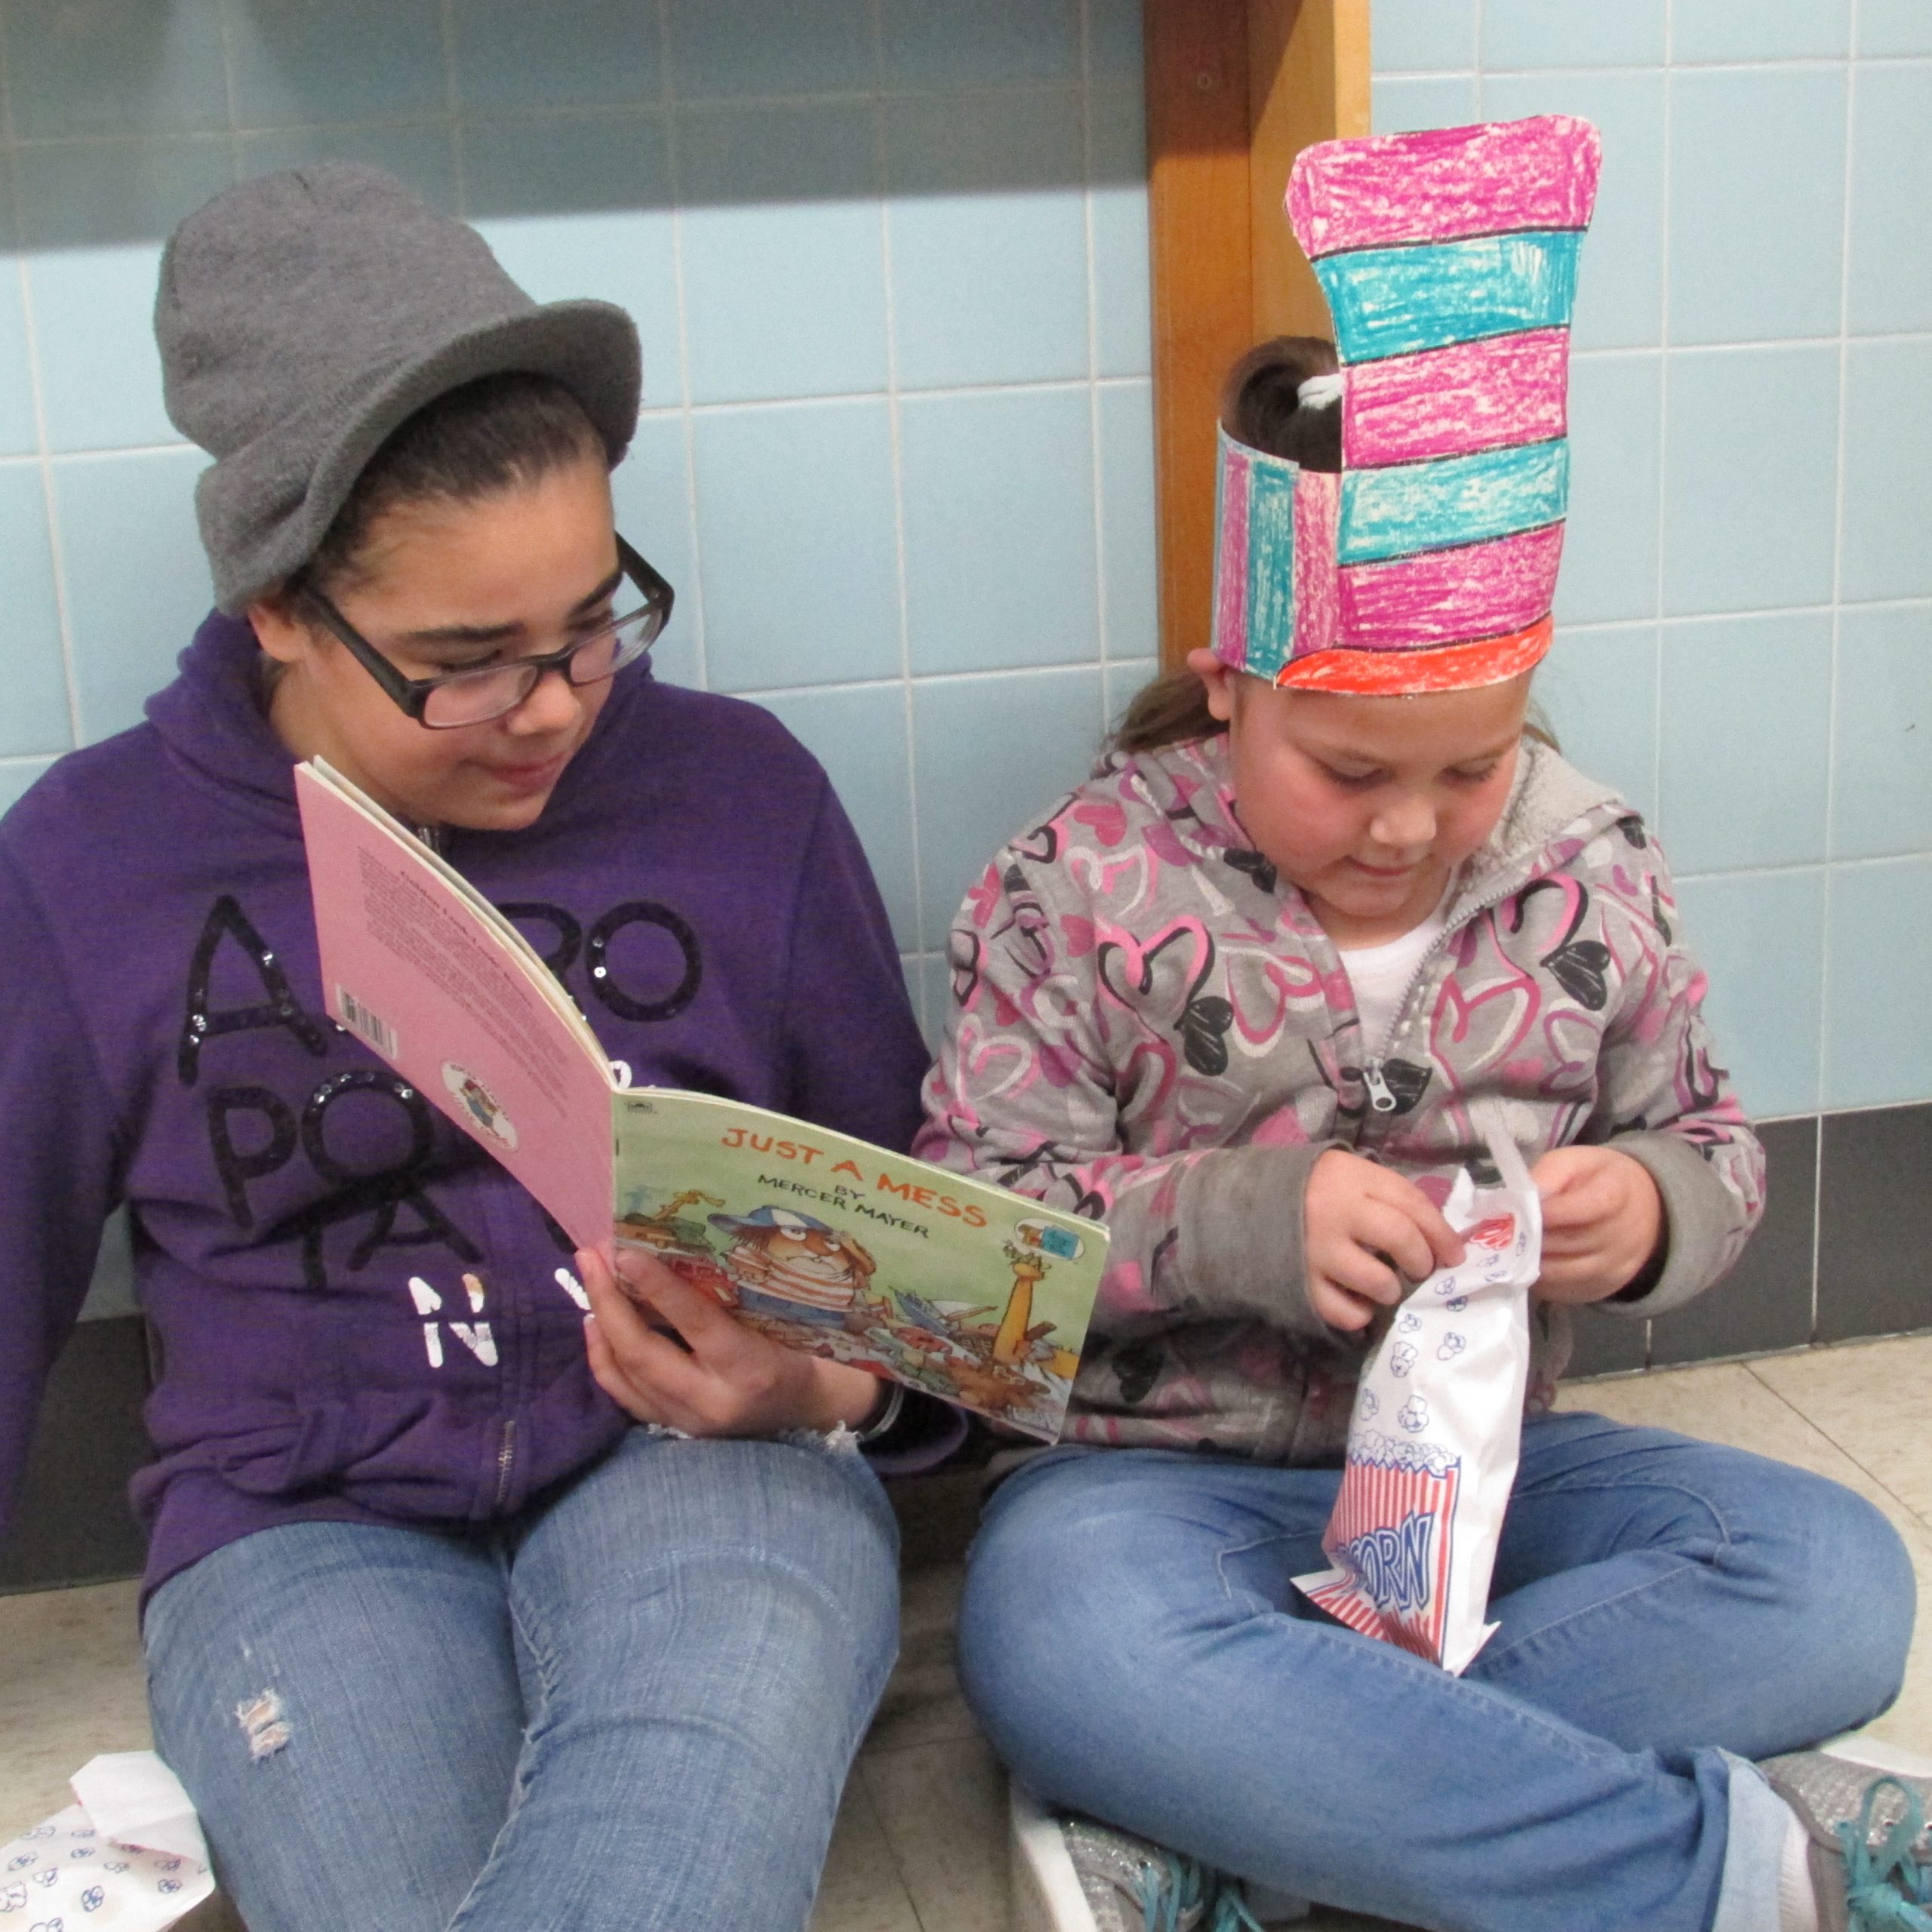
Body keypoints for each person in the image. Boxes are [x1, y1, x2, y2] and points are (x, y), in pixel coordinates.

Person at [0, 164, 954, 1932]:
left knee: (672, 1817)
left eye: (591, 621)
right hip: (296, 1522)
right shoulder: (92, 865)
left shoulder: (740, 795)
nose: (556, 704)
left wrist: (822, 1385)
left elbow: (928, 1265)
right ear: (276, 606)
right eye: (466, 660)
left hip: (709, 1468)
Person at [912, 331, 1923, 1932]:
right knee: (1059, 1642)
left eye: (1470, 769)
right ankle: (1723, 1867)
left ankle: (1247, 1818)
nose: (1404, 826)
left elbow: (1711, 1145)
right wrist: (1244, 1221)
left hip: (1483, 1493)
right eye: (1346, 768)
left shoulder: (1589, 868)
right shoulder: (1076, 881)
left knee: (1833, 1577)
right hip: (1148, 1496)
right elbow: (966, 1243)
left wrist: (1650, 1207)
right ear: (1228, 685)